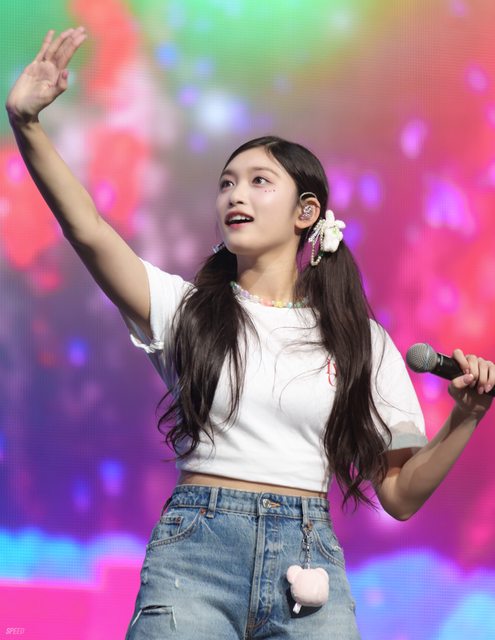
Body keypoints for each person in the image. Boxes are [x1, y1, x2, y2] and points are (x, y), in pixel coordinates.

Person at [6, 28, 494, 640]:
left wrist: (467, 416)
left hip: (308, 565)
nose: (235, 194)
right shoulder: (186, 311)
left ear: (306, 213)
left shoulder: (361, 341)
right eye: (227, 183)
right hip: (195, 560)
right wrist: (26, 124)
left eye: (259, 181)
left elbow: (398, 494)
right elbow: (89, 230)